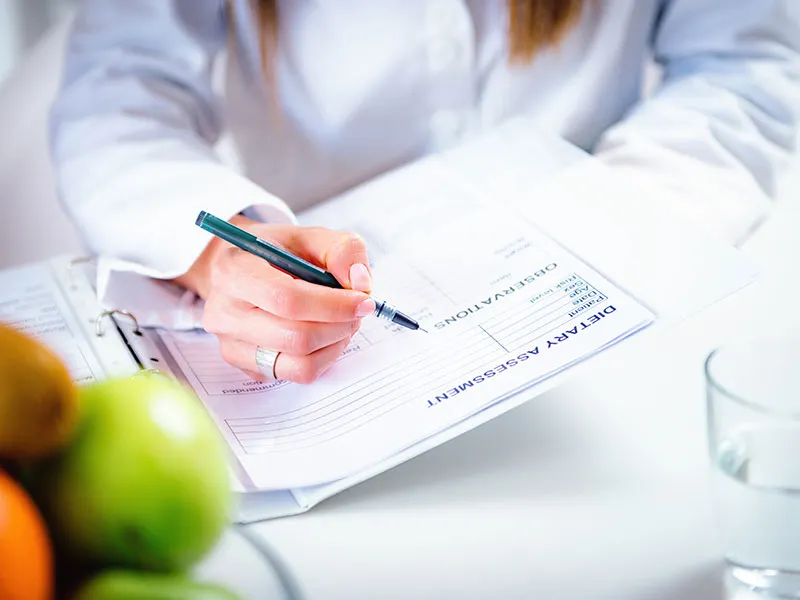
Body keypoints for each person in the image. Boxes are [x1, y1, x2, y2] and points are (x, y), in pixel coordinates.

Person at [50, 0, 800, 384]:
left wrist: (610, 237)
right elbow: (118, 97)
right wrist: (219, 254)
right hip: (329, 338)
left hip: (613, 334)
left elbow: (742, 68)